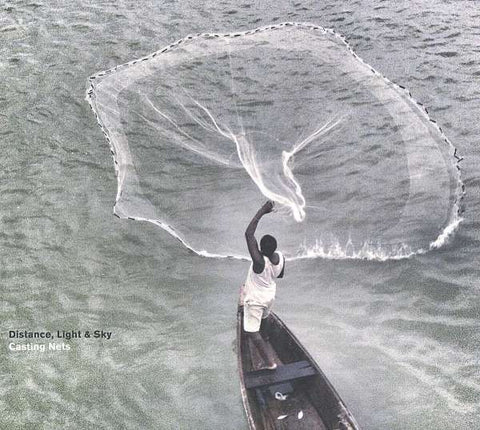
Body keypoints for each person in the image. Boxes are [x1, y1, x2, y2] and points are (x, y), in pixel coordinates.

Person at [241, 200, 285, 370]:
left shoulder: (259, 262)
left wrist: (263, 211)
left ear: (260, 250)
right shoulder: (280, 258)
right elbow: (279, 274)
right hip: (269, 296)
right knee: (264, 319)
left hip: (256, 299)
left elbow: (248, 234)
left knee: (251, 331)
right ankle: (265, 339)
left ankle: (270, 363)